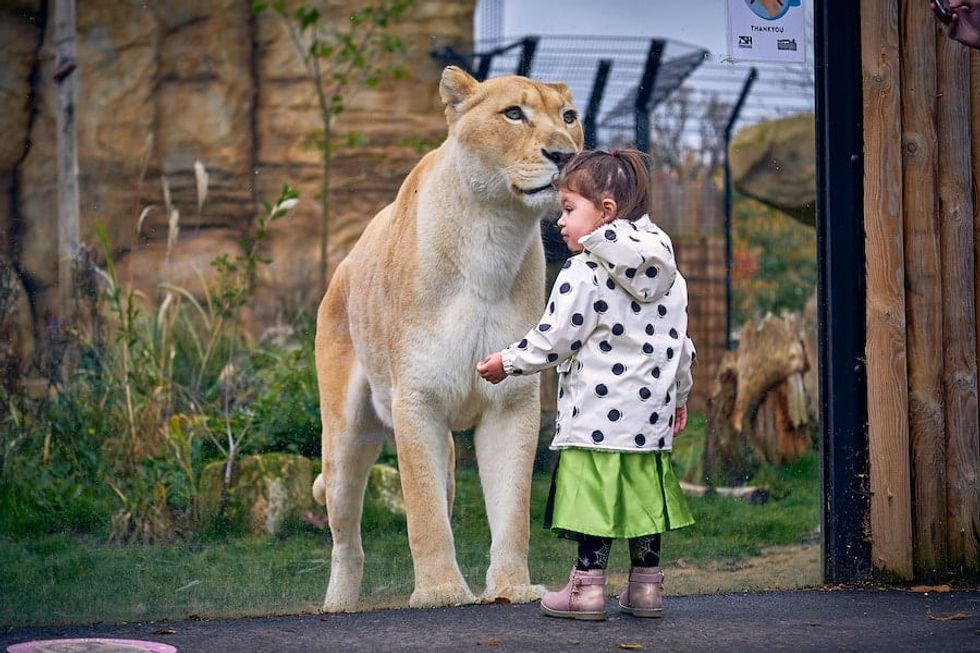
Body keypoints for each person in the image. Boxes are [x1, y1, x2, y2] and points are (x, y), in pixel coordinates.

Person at [476, 149, 696, 621]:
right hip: (648, 422)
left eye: (570, 209)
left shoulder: (584, 272)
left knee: (594, 500)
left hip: (595, 420)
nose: (560, 221)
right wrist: (679, 399)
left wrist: (508, 362)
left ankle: (585, 590)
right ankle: (646, 591)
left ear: (607, 212)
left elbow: (555, 340)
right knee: (642, 504)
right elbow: (680, 347)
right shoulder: (672, 278)